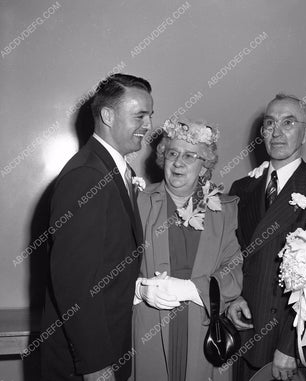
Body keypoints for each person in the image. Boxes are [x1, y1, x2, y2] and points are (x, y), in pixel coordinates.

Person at [41, 74, 154, 380]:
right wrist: (97, 366)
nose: (148, 125)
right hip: (87, 363)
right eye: (139, 116)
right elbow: (74, 283)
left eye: (150, 116)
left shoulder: (113, 169)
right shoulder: (87, 176)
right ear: (107, 115)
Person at [227, 94, 306, 381]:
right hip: (243, 327)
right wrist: (232, 300)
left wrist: (290, 346)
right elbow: (231, 255)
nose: (276, 132)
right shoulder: (242, 188)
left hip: (287, 339)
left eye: (288, 123)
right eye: (269, 123)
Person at [132, 119, 243, 380]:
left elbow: (234, 266)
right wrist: (138, 288)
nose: (178, 162)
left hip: (203, 323)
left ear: (205, 165)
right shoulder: (138, 203)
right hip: (150, 323)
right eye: (172, 153)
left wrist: (195, 289)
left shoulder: (225, 209)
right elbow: (111, 268)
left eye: (190, 156)